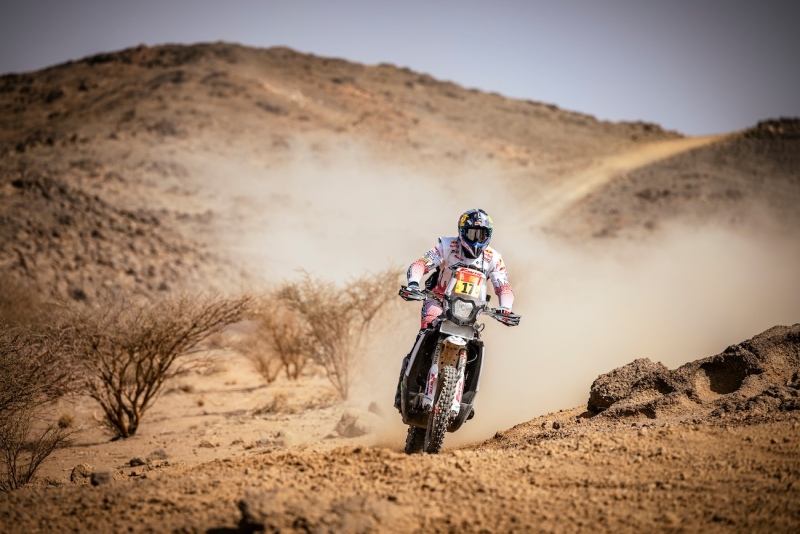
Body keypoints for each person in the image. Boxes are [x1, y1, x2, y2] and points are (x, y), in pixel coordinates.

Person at [394, 208, 515, 410]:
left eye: (482, 234)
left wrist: (506, 308)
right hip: (438, 300)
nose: (476, 240)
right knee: (426, 332)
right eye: (471, 233)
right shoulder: (446, 245)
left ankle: (466, 394)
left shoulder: (494, 258)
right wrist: (414, 283)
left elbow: (503, 286)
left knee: (476, 343)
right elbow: (421, 264)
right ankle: (405, 387)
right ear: (461, 231)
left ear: (489, 235)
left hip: (470, 310)